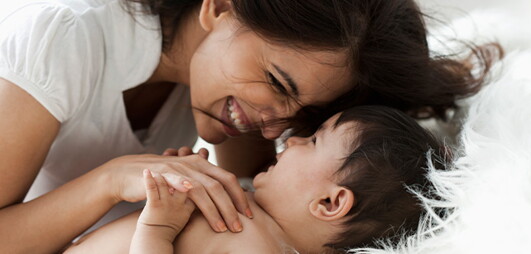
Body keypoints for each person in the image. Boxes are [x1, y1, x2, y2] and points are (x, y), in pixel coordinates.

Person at [0, 0, 497, 252]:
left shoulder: (248, 96)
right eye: (277, 82)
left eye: (305, 117)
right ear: (221, 7)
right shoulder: (57, 32)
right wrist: (113, 180)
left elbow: (258, 201)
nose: (274, 124)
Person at [63, 106, 449, 253]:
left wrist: (158, 229)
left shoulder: (259, 249)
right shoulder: (252, 214)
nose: (293, 139)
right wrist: (168, 191)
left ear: (330, 203)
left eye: (314, 141)